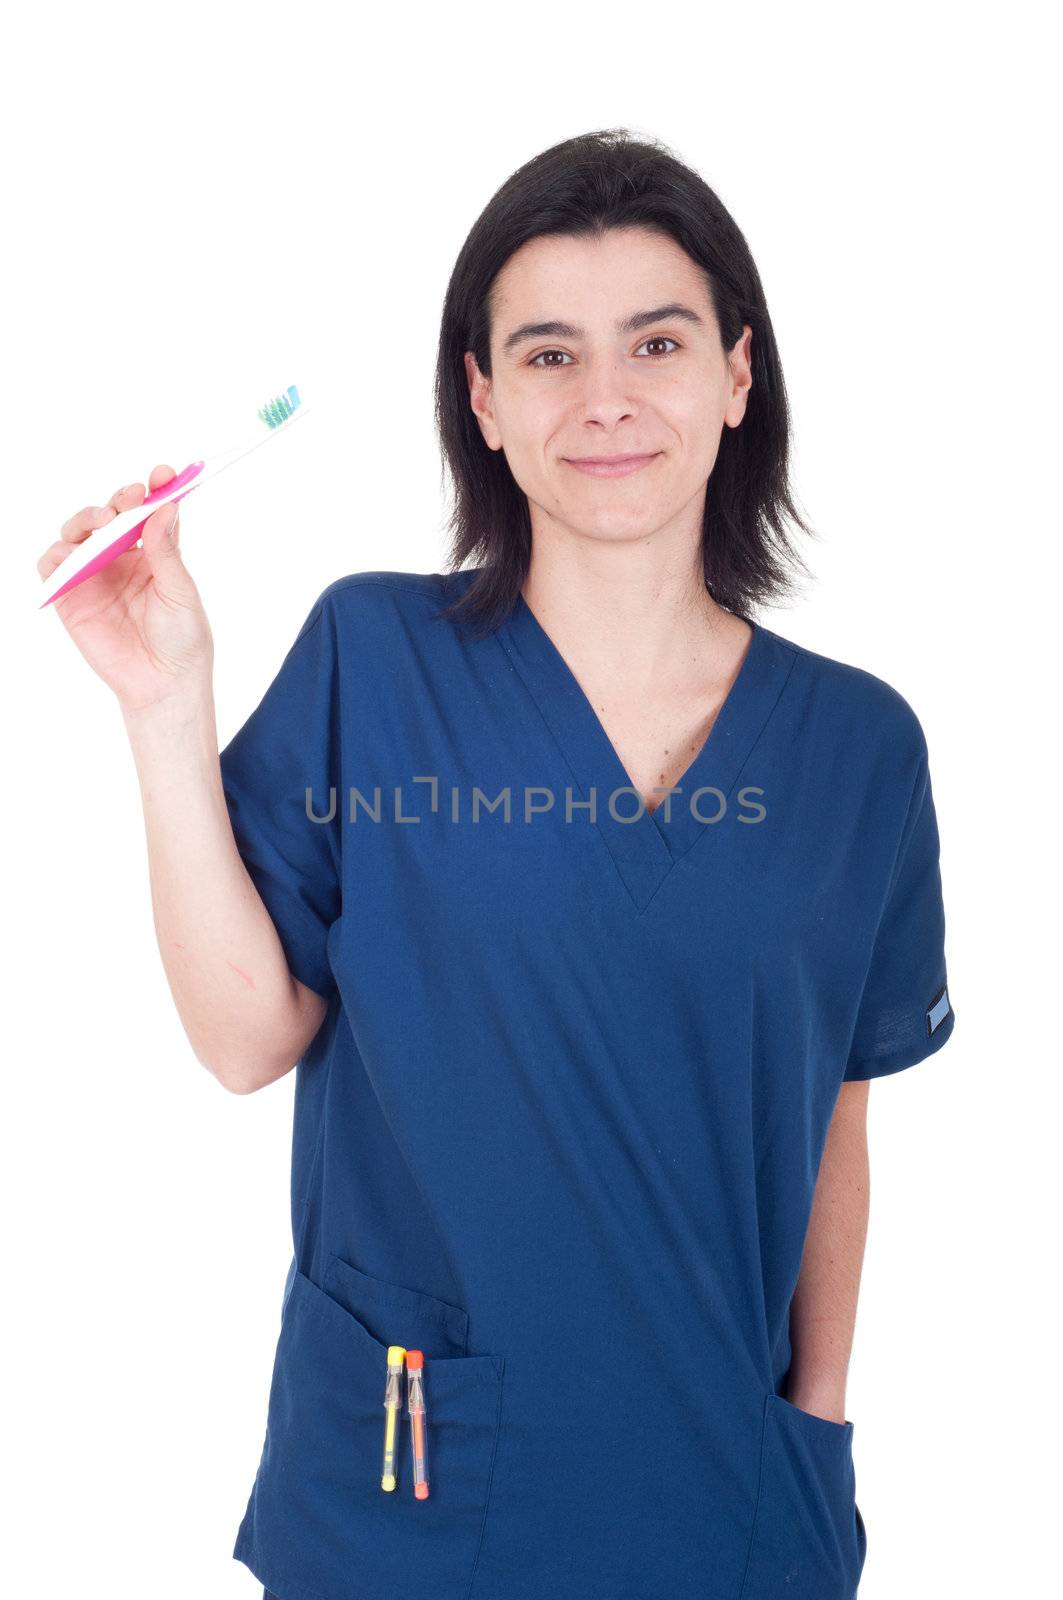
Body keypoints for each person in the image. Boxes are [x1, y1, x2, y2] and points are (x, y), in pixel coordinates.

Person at [40, 128, 955, 1600]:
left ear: (736, 375)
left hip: (728, 1498)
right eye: (545, 355)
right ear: (483, 397)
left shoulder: (858, 750)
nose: (605, 399)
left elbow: (837, 1104)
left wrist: (819, 1417)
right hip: (412, 1492)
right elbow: (242, 1038)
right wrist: (164, 706)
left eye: (656, 343)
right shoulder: (376, 656)